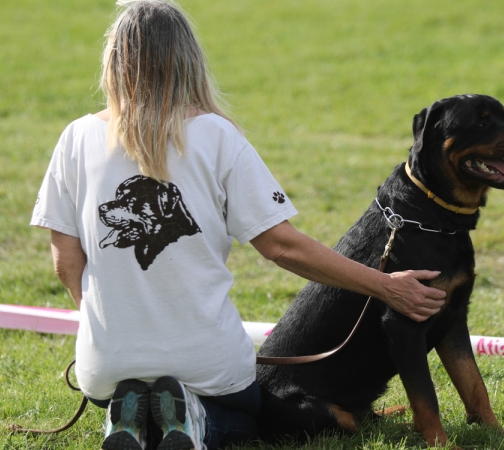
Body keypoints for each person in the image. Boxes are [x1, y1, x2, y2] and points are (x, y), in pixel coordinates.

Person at [31, 1, 447, 449]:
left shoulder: (75, 137)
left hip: (106, 364)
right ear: (187, 60)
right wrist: (387, 286)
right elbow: (282, 247)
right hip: (205, 364)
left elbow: (65, 261)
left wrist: (108, 327)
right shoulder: (218, 135)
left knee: (134, 395)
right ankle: (193, 420)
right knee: (247, 418)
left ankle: (128, 415)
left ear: (114, 61)